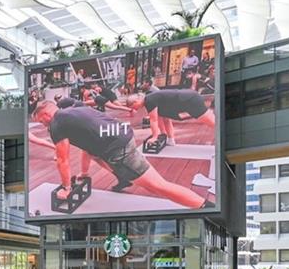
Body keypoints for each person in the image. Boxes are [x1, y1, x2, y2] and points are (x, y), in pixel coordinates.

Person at [29, 100, 211, 211]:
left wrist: (67, 187)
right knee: (95, 152)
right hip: (121, 136)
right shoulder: (74, 109)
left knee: (158, 186)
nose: (43, 124)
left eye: (40, 121)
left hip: (119, 151)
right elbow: (88, 147)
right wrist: (84, 174)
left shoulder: (56, 124)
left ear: (45, 114)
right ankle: (123, 178)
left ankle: (205, 207)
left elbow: (62, 160)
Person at [142, 87, 217, 147]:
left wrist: (155, 137)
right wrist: (164, 135)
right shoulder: (156, 101)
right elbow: (164, 120)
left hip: (190, 99)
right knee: (211, 121)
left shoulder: (149, 100)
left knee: (212, 123)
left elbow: (154, 120)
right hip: (187, 98)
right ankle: (171, 140)